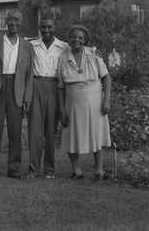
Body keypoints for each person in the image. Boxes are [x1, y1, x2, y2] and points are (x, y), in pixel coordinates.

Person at [27, 13, 100, 179]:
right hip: (36, 85)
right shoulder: (31, 45)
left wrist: (96, 52)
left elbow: (81, 49)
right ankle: (33, 170)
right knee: (35, 131)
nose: (46, 30)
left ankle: (49, 170)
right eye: (43, 26)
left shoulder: (64, 46)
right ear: (39, 28)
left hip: (55, 86)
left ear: (54, 28)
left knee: (51, 132)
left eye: (49, 27)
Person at [0, 9, 34, 178]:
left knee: (15, 131)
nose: (13, 22)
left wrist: (27, 97)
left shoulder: (27, 45)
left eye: (16, 20)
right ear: (6, 21)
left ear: (21, 22)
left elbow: (29, 74)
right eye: (10, 19)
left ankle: (14, 168)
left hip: (17, 89)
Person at [57, 25, 111, 182]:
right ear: (69, 39)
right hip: (72, 102)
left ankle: (99, 172)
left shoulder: (94, 55)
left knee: (97, 134)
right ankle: (77, 171)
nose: (77, 40)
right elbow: (60, 87)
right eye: (74, 36)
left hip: (94, 101)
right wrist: (61, 109)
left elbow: (106, 77)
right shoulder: (62, 58)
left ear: (85, 40)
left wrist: (106, 100)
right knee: (70, 135)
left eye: (80, 37)